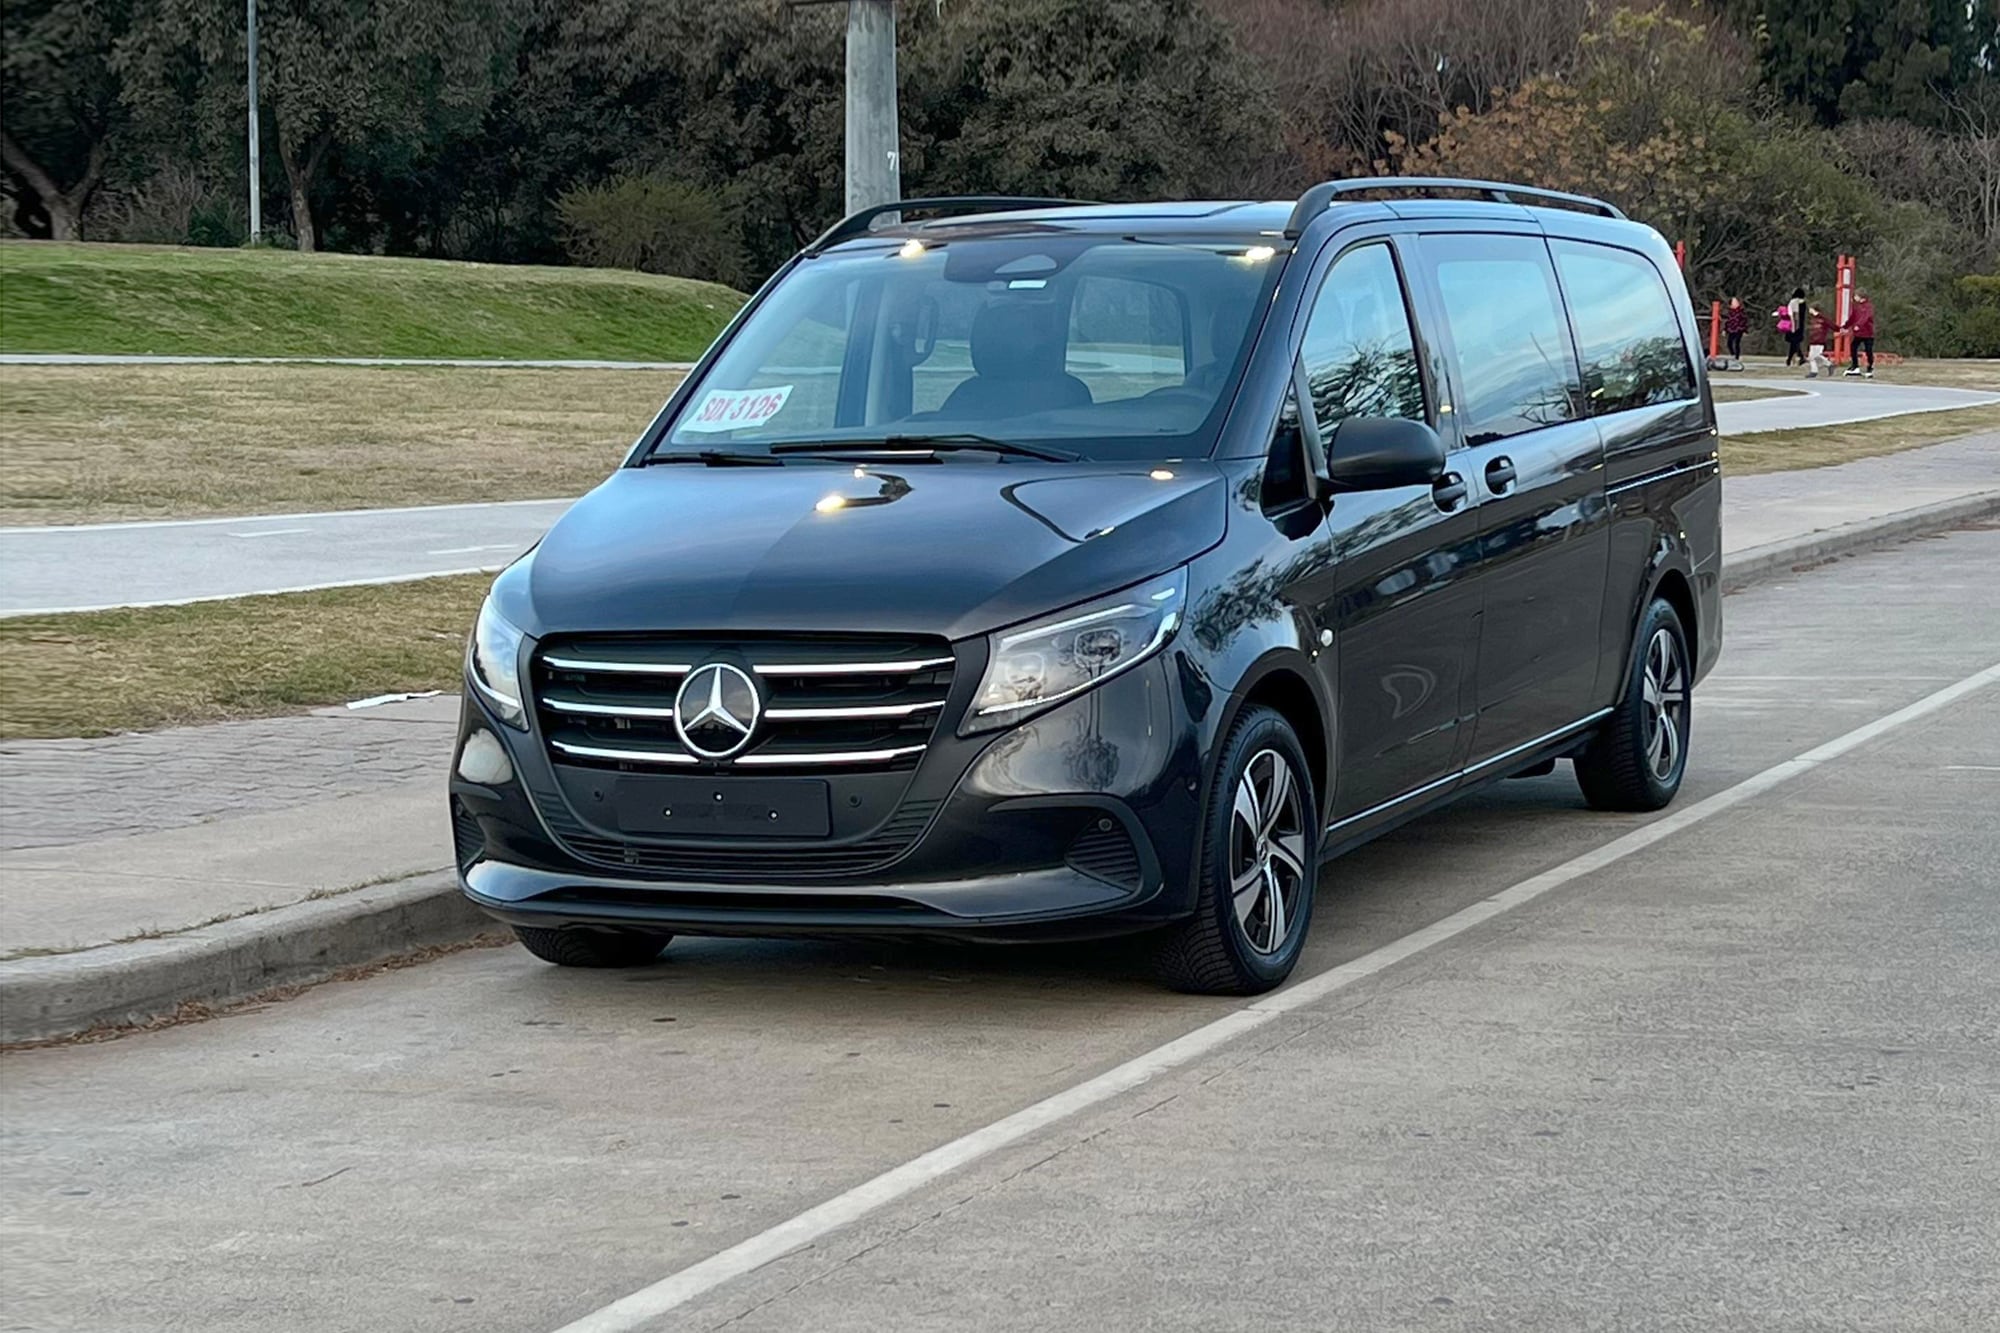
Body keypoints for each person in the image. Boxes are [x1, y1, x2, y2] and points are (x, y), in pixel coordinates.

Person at [1842, 290, 1876, 378]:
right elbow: (1852, 318)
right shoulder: (1856, 307)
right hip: (1858, 333)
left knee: (1868, 350)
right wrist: (1845, 326)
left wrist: (1858, 325)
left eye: (1856, 296)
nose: (1854, 298)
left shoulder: (1868, 306)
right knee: (1853, 347)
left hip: (1868, 333)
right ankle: (1855, 366)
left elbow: (1866, 317)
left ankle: (1870, 367)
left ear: (1861, 297)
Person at [1774, 287, 1806, 366]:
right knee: (1795, 342)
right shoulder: (1803, 303)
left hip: (1793, 324)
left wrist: (1793, 327)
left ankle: (1794, 358)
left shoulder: (1793, 302)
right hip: (1801, 324)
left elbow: (1792, 314)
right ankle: (1796, 358)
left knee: (1794, 342)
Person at [1806, 305, 1834, 378]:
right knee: (1811, 357)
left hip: (1820, 339)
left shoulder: (1823, 318)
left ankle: (1829, 364)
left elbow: (1831, 324)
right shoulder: (1813, 319)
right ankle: (1814, 371)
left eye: (1810, 309)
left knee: (1816, 355)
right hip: (1813, 339)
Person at [1724, 296, 1749, 367]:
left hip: (1739, 329)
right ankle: (1733, 355)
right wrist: (1725, 330)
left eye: (1736, 302)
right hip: (1731, 329)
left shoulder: (1741, 311)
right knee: (1729, 343)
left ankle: (1737, 357)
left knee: (1736, 343)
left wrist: (1745, 330)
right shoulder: (1729, 312)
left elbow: (1744, 321)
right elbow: (1727, 322)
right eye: (1733, 302)